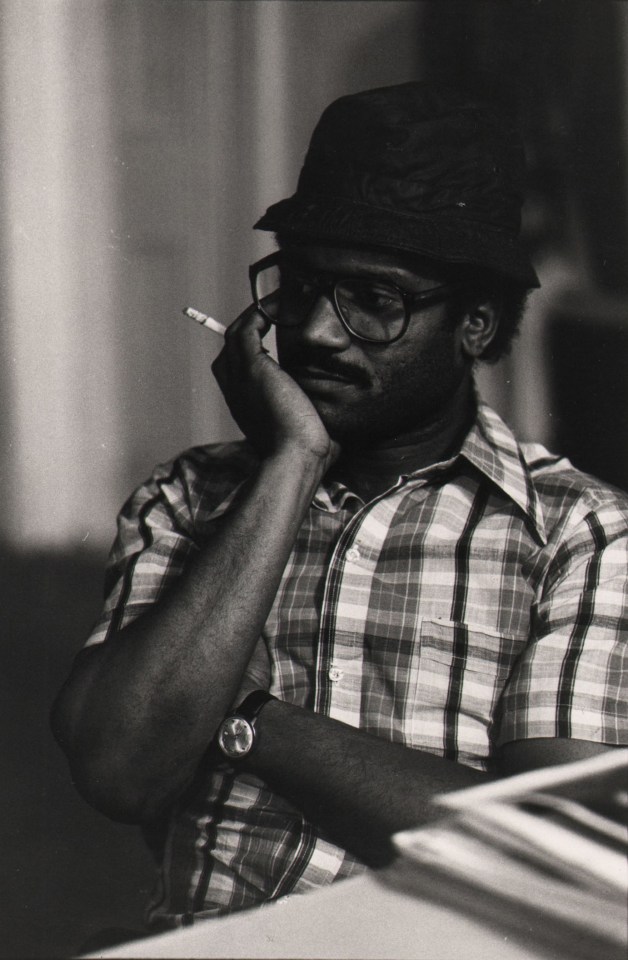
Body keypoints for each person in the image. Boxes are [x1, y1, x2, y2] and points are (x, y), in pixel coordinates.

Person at [51, 82, 627, 929]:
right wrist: (292, 461)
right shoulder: (187, 495)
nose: (317, 331)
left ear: (473, 323)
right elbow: (117, 768)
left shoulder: (584, 536)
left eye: (375, 300)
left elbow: (552, 853)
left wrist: (249, 718)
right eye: (302, 286)